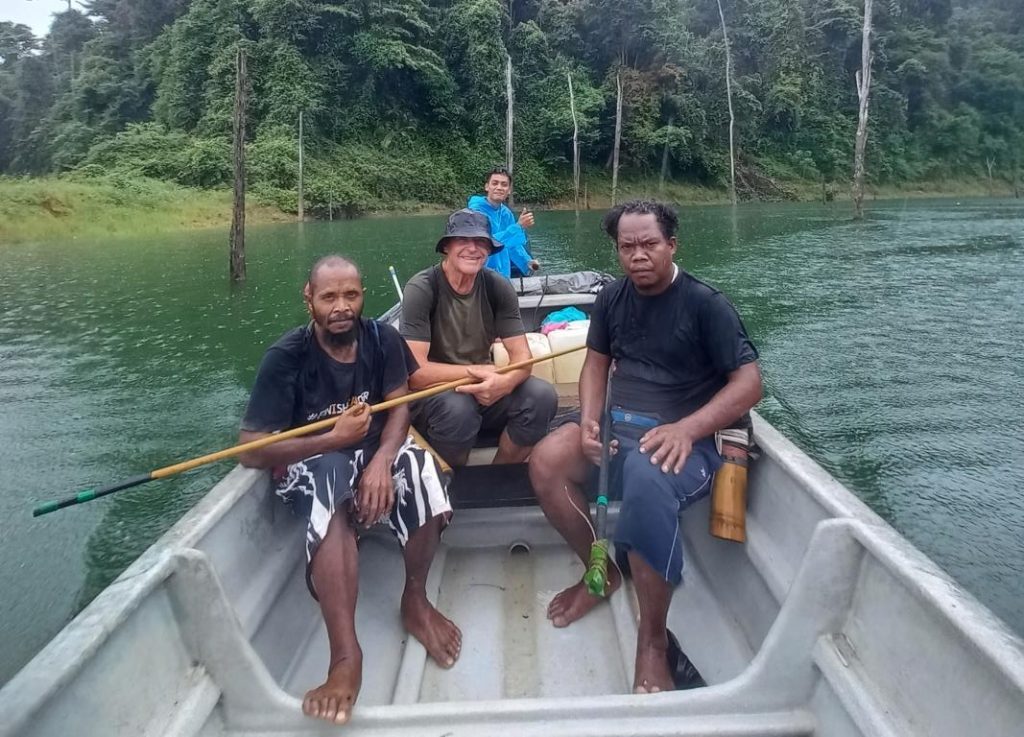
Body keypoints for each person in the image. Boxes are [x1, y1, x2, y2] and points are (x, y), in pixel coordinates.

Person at [528, 200, 763, 694]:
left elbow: (749, 384)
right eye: (627, 246)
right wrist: (590, 420)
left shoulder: (706, 305)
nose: (638, 255)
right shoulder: (613, 298)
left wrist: (688, 429)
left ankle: (653, 641)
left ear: (671, 245)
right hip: (619, 426)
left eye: (649, 244)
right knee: (547, 460)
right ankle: (603, 573)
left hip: (687, 442)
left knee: (643, 474)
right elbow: (595, 363)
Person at [238, 256, 460, 725]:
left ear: (362, 295)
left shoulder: (382, 338)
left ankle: (415, 600)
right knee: (330, 476)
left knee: (420, 468)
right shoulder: (287, 357)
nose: (341, 307)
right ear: (309, 298)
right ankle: (345, 656)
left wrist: (382, 458)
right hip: (311, 459)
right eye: (329, 297)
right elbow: (251, 450)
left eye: (351, 295)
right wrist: (331, 440)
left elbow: (398, 406)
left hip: (370, 452)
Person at [400, 209, 558, 466]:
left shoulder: (497, 286)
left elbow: (522, 358)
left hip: (485, 384)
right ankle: (452, 479)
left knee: (541, 396)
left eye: (481, 242)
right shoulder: (422, 288)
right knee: (458, 409)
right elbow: (416, 374)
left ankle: (498, 474)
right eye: (463, 240)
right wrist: (481, 372)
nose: (473, 249)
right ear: (447, 247)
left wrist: (505, 383)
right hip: (433, 394)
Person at [467, 165, 540, 278]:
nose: (499, 187)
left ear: (509, 190)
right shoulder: (475, 212)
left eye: (504, 184)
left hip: (503, 275)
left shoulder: (506, 213)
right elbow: (485, 243)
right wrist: (518, 227)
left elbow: (513, 244)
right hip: (481, 275)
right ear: (487, 187)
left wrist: (527, 262)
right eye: (495, 183)